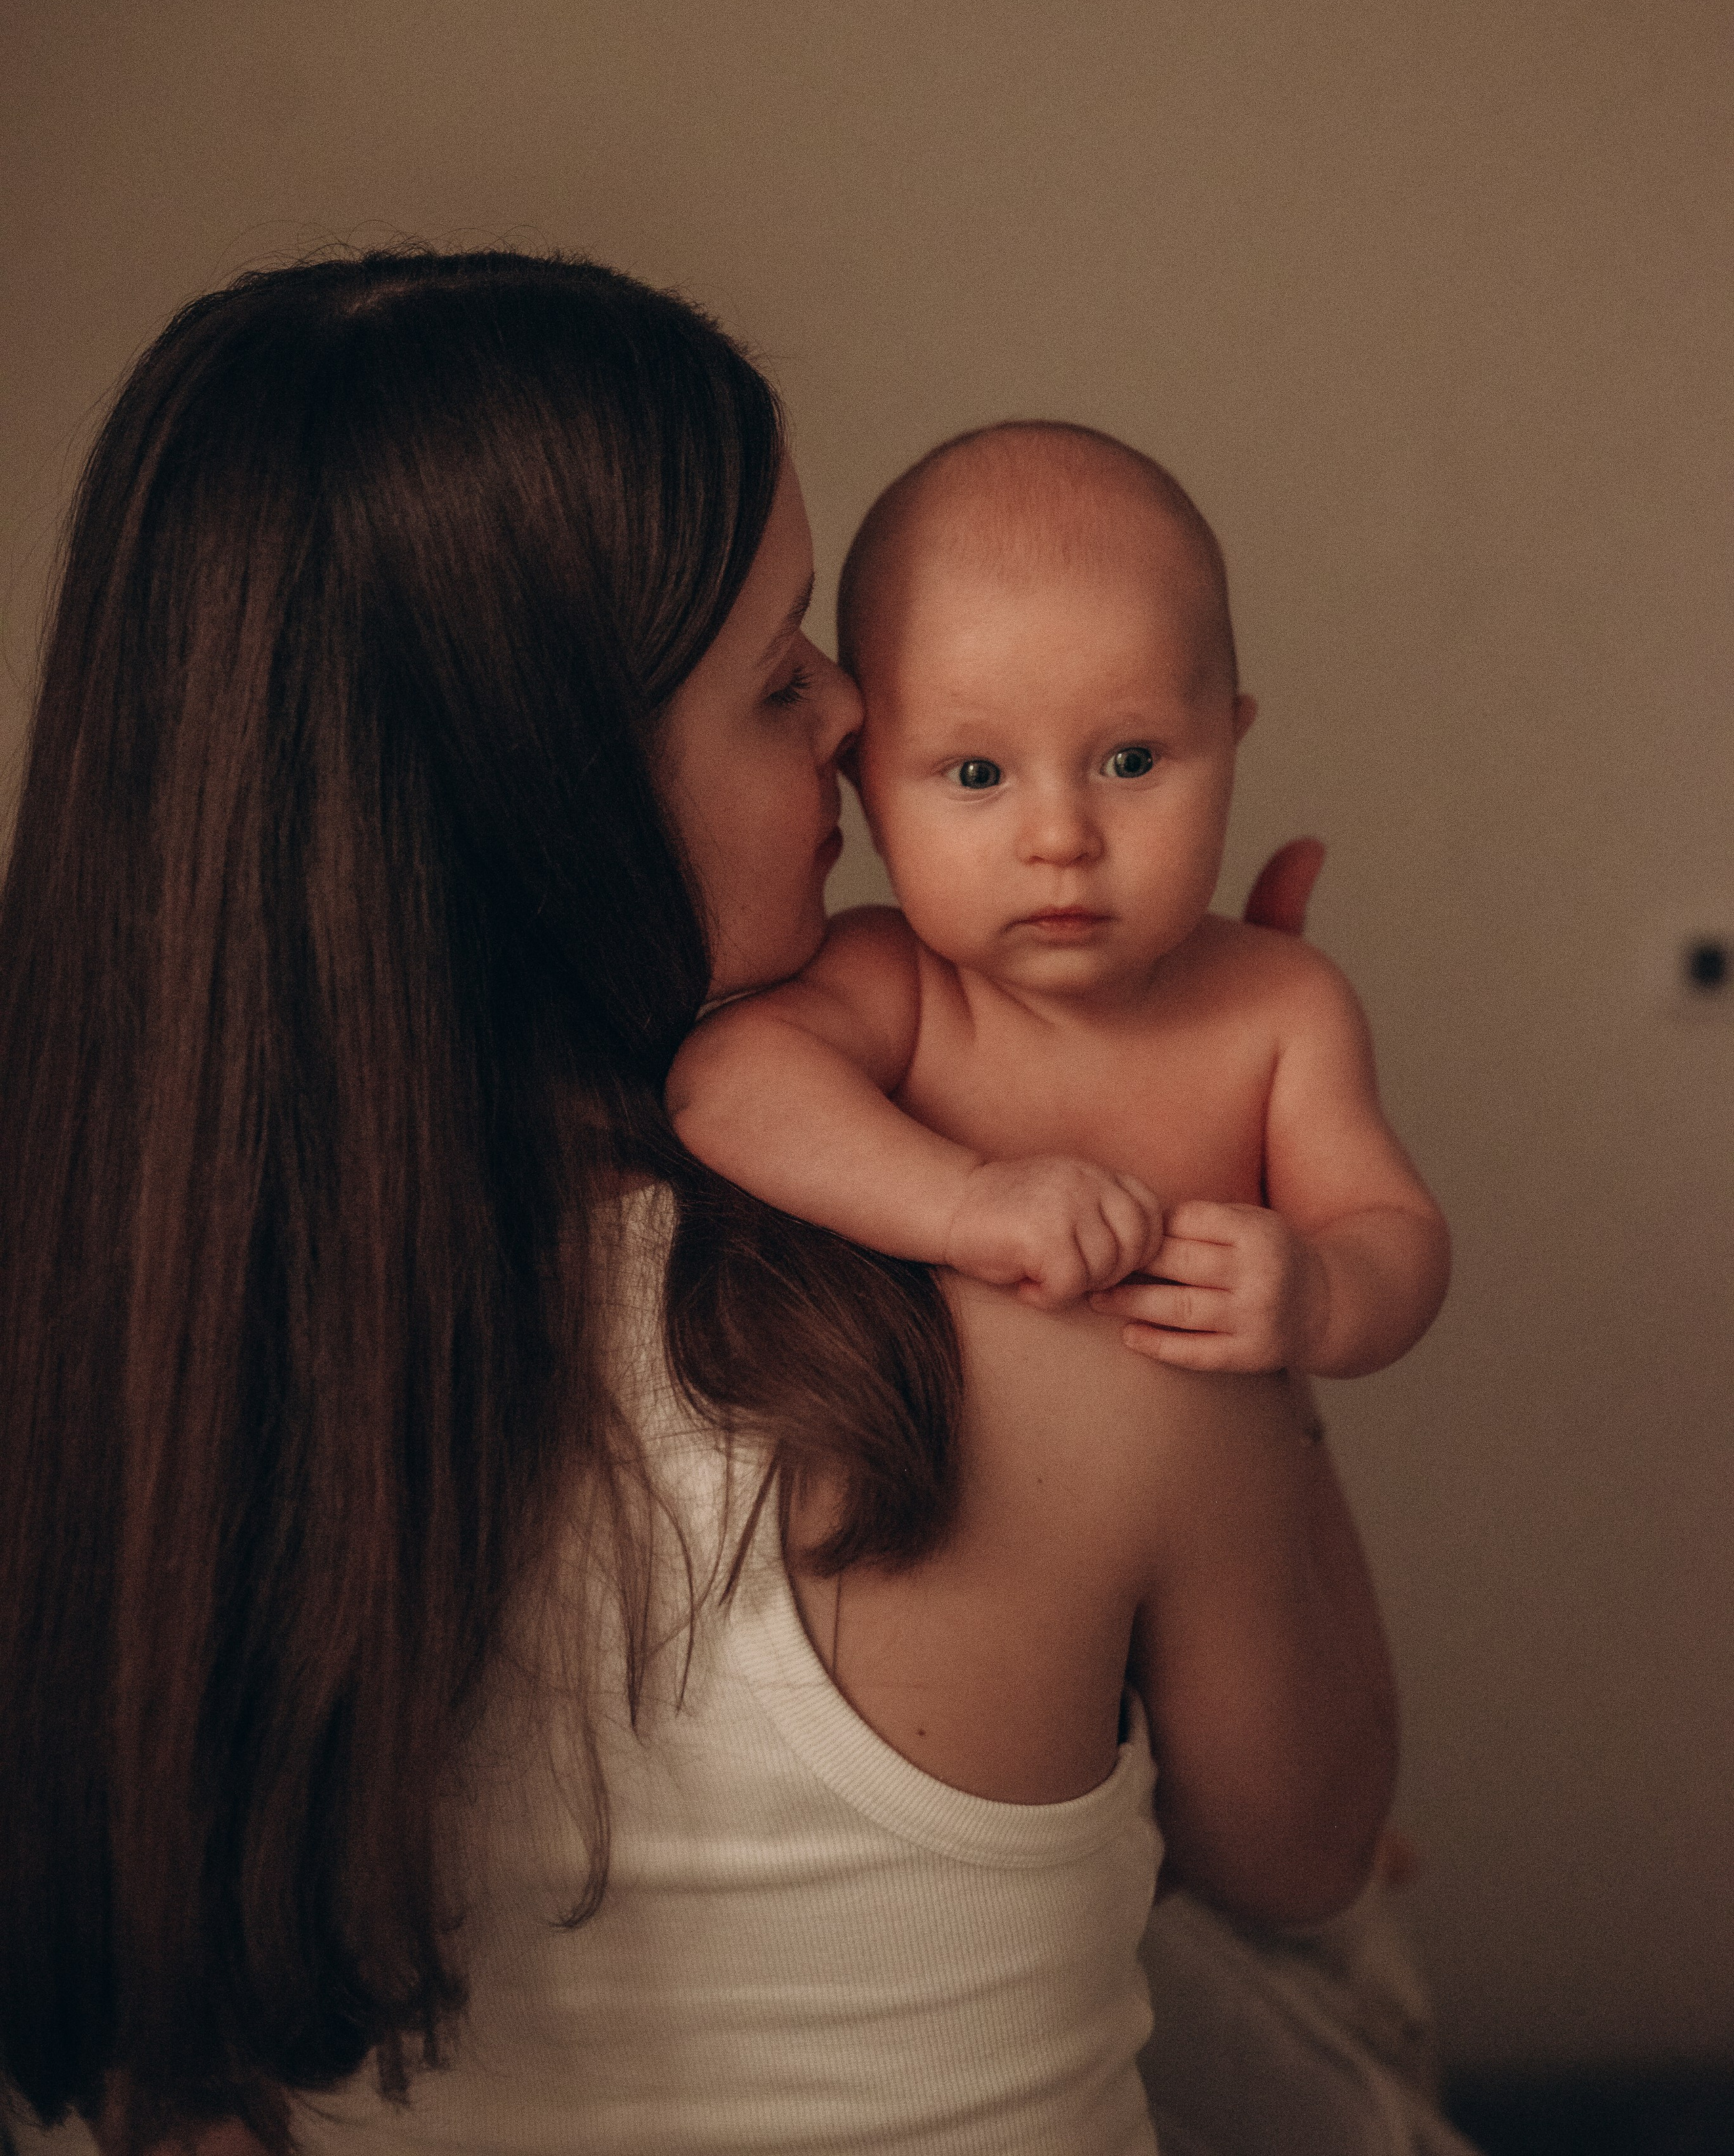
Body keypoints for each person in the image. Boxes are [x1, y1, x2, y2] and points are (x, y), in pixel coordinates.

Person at [1, 253, 1403, 2156]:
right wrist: (1236, 1252)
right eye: (777, 677)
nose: (853, 711)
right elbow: (1310, 1842)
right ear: (543, 799)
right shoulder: (1060, 1327)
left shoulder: (98, 1392)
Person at [669, 420, 1450, 1379]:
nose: (1061, 839)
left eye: (1130, 761)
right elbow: (725, 1088)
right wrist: (966, 1202)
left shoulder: (1281, 1006)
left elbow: (1393, 1229)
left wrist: (1323, 1292)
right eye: (977, 773)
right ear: (869, 789)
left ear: (1229, 750)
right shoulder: (899, 985)